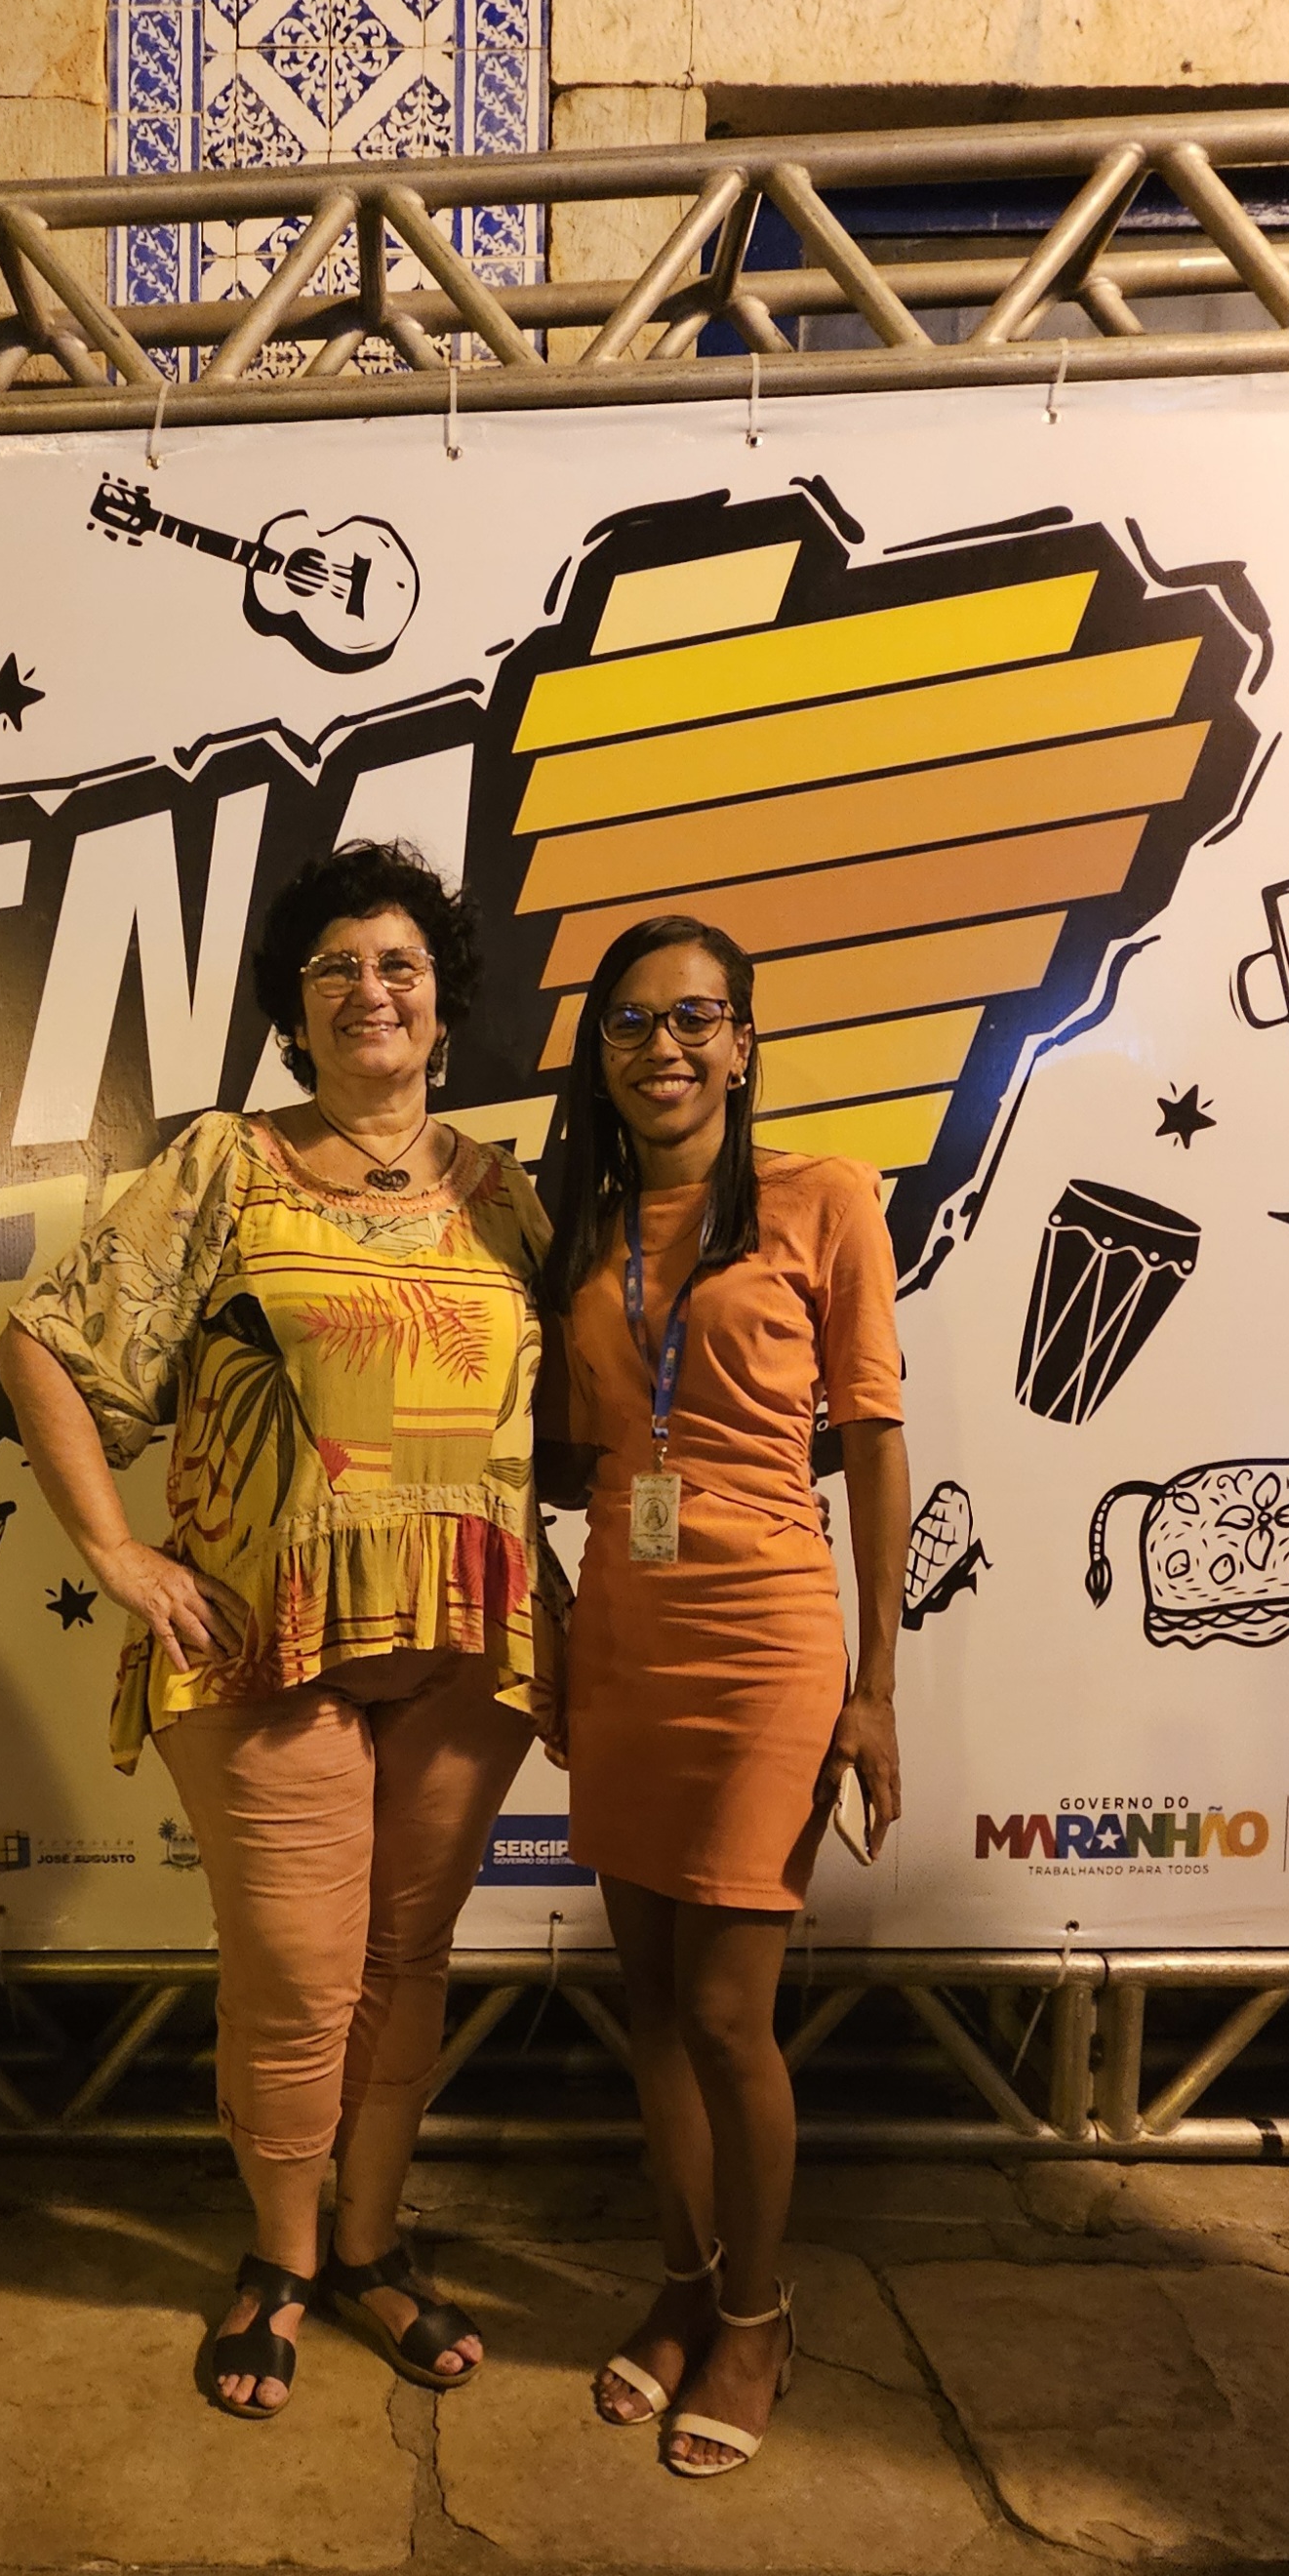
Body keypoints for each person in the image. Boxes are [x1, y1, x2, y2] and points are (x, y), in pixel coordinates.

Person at [0, 840, 562, 2420]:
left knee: (405, 1965)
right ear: (296, 1011)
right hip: (264, 1636)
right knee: (300, 1977)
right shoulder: (225, 1165)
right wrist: (115, 1550)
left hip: (469, 1640)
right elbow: (48, 1347)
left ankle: (370, 2247)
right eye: (337, 969)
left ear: (442, 1003)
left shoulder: (507, 1192)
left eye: (400, 965)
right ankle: (282, 2257)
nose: (371, 990)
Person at [536, 912, 907, 2477]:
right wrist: (546, 1611)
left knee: (722, 2011)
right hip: (626, 1632)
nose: (665, 1047)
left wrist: (877, 1689)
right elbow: (541, 1460)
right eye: (631, 1022)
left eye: (696, 1017)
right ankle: (684, 2285)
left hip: (765, 1636)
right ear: (601, 1055)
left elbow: (873, 1442)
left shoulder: (826, 1199)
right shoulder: (579, 1224)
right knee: (646, 2002)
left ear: (744, 1045)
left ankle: (756, 2315)